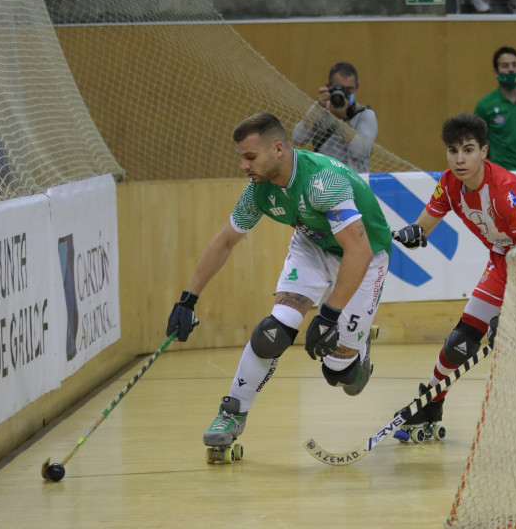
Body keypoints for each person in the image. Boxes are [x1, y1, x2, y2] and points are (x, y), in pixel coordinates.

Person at [167, 112, 392, 451]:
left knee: (339, 375)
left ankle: (356, 354)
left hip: (365, 253)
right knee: (273, 332)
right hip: (312, 245)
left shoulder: (322, 181)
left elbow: (357, 251)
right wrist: (188, 299)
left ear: (277, 150)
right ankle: (232, 412)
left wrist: (328, 315)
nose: (244, 166)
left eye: (250, 157)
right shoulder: (258, 191)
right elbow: (225, 241)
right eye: (241, 157)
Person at [393, 113, 516, 442]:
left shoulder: (506, 191)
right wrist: (414, 233)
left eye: (468, 150)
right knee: (460, 342)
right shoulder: (449, 183)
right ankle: (431, 402)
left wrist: (515, 310)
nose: (460, 158)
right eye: (453, 150)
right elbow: (424, 226)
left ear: (484, 151)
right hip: (503, 259)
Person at [292, 62, 377, 173]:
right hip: (323, 180)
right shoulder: (319, 109)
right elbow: (298, 139)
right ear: (328, 87)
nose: (345, 94)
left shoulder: (365, 114)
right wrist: (317, 108)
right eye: (340, 88)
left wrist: (343, 119)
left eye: (350, 89)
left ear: (357, 87)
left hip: (355, 182)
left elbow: (360, 152)